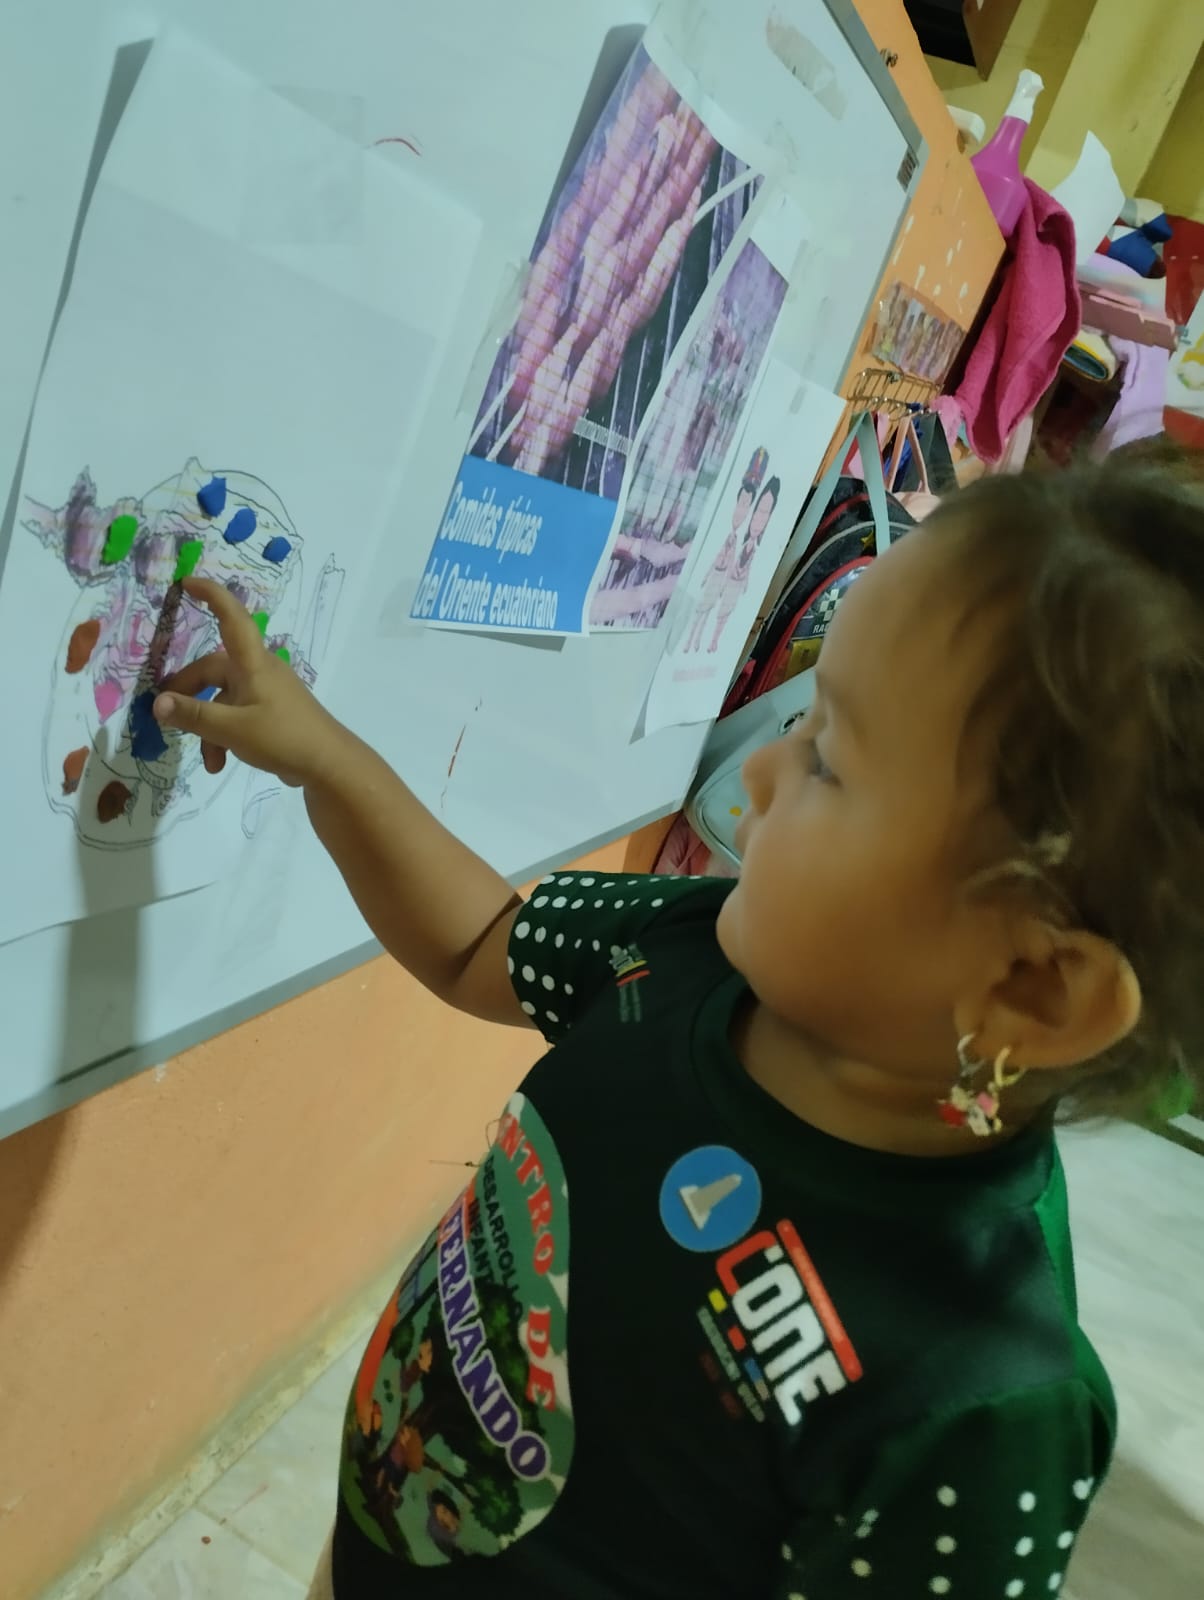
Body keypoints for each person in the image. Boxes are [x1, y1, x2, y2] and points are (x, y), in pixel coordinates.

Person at [152, 446, 1204, 1599]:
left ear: (1033, 988)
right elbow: (480, 941)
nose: (758, 772)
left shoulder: (976, 1406)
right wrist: (322, 756)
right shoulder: (690, 949)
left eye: (827, 759)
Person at [708, 475, 781, 652]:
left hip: (737, 589)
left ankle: (714, 640)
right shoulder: (737, 538)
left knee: (726, 612)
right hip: (726, 583)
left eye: (765, 514)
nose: (759, 520)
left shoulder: (758, 551)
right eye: (758, 512)